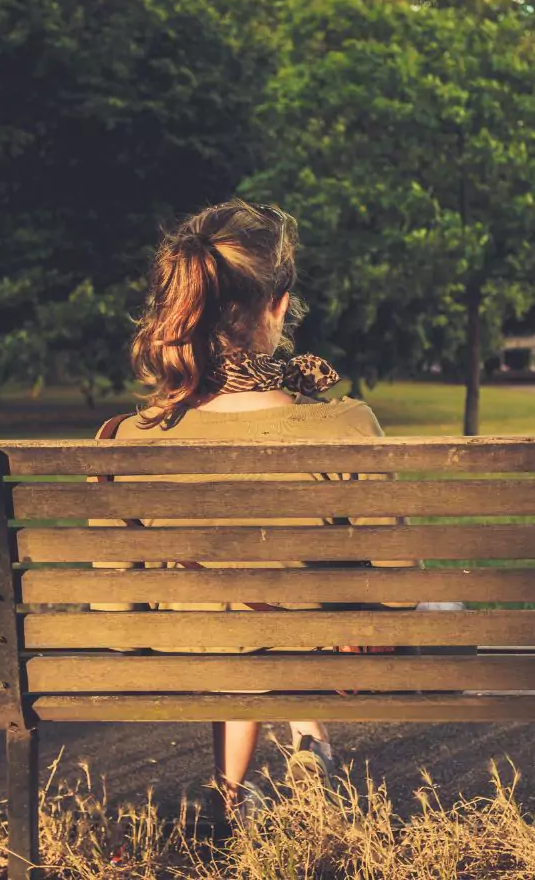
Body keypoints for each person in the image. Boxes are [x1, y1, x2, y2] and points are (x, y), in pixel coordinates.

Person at [90, 199, 405, 819]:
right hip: (312, 644)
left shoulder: (133, 438)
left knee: (233, 626)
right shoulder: (346, 426)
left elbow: (114, 612)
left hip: (193, 651)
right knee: (298, 611)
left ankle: (231, 796)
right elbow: (397, 595)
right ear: (280, 304)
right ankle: (310, 740)